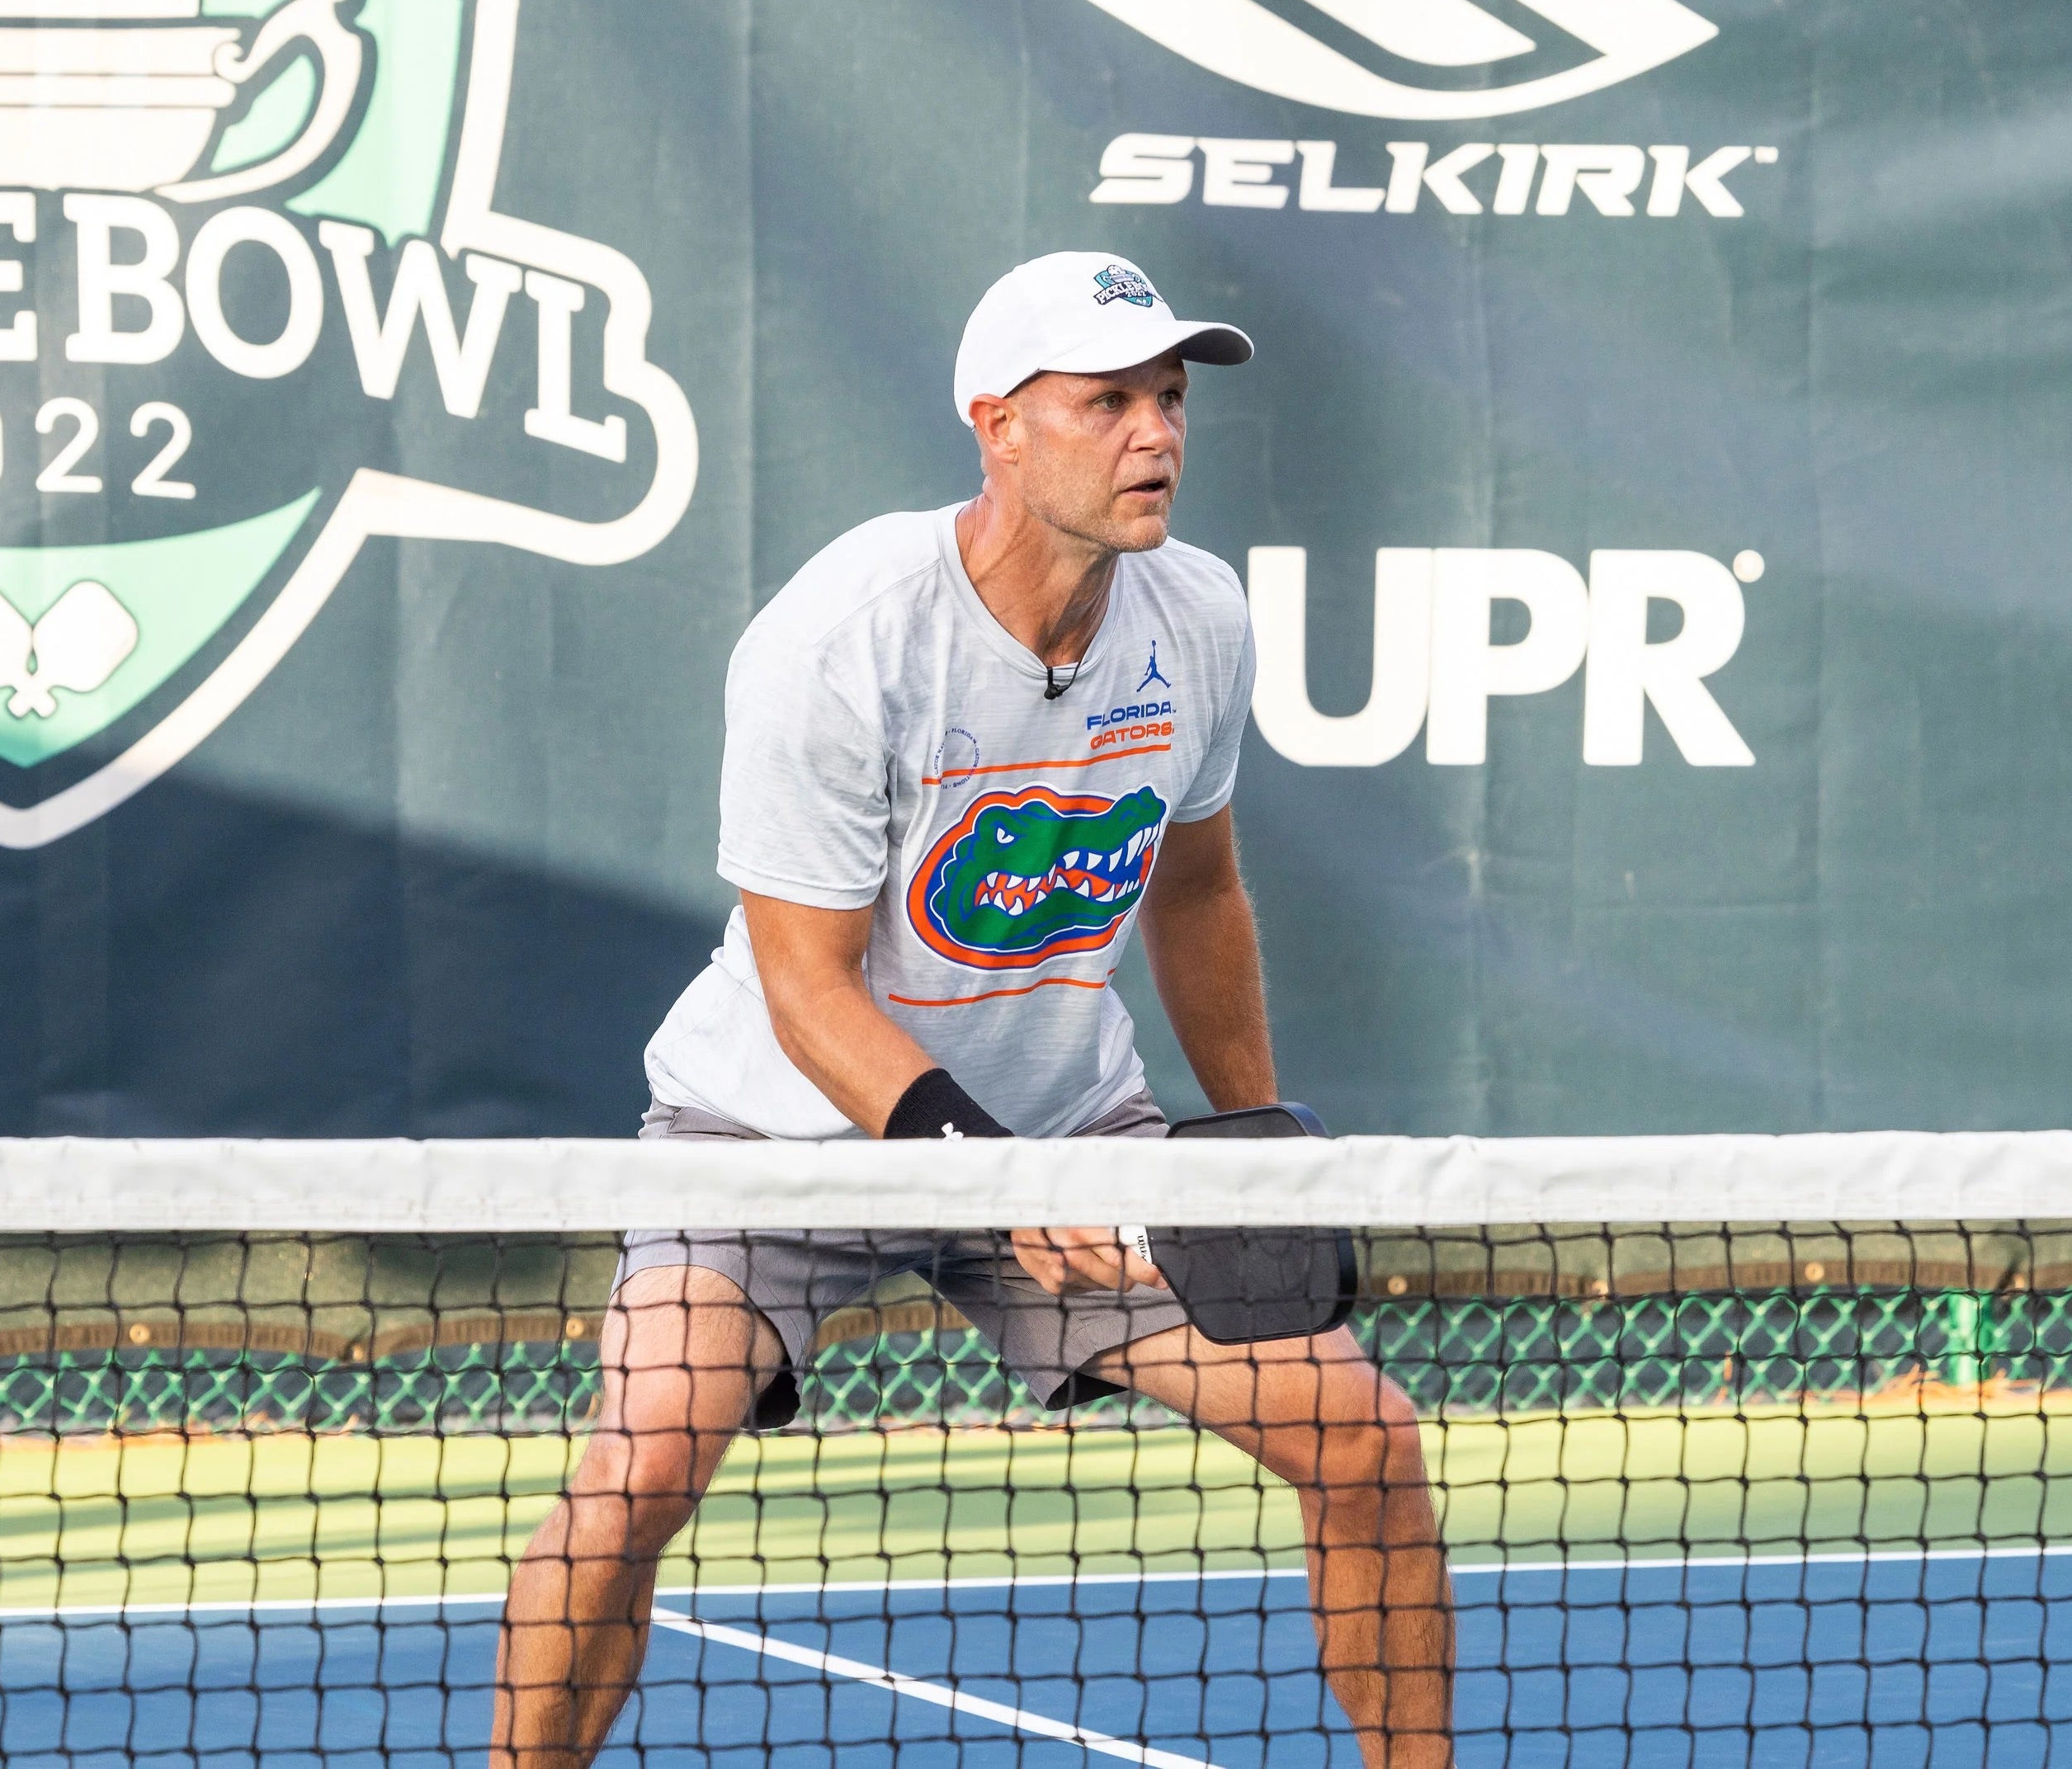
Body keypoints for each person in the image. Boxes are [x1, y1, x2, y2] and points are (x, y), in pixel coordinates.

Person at [491, 252, 1455, 1769]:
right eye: (1109, 402)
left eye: (1172, 399)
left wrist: (1247, 1143)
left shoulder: (1193, 619)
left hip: (1069, 1134)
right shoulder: (848, 634)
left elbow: (1198, 895)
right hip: (776, 1139)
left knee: (1366, 1441)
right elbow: (806, 985)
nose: (1158, 436)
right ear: (998, 426)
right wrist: (992, 1180)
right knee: (638, 1472)